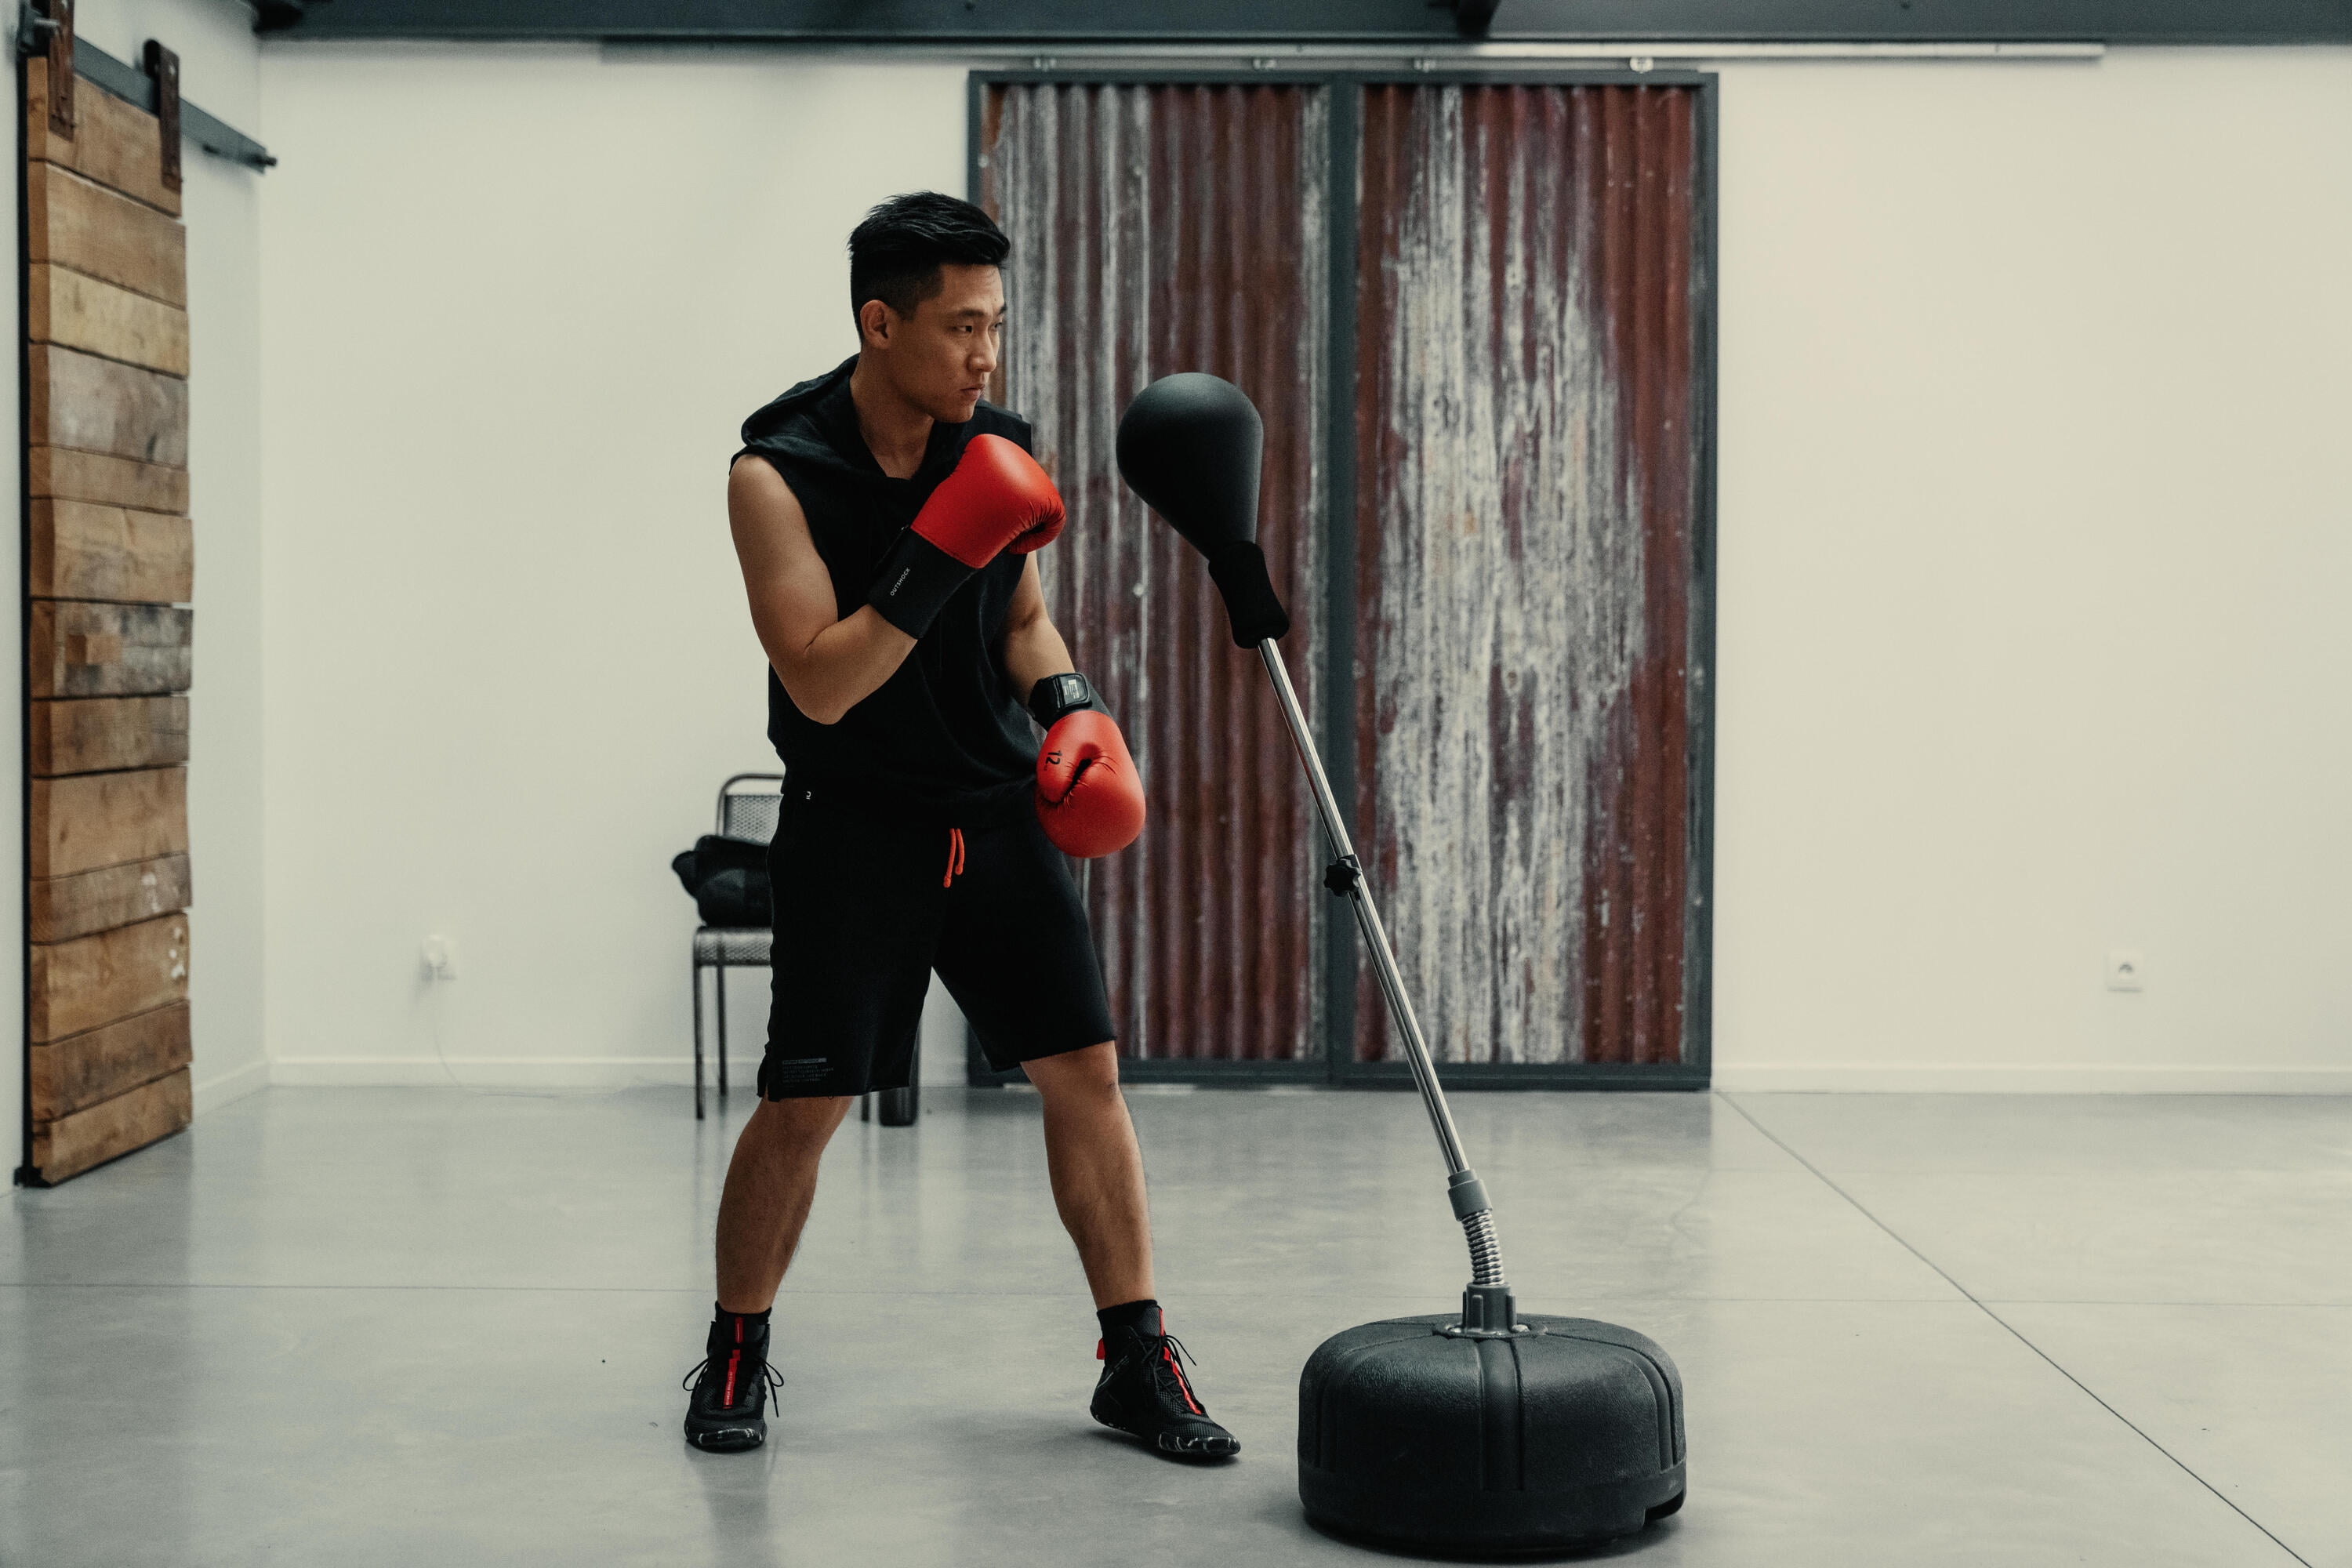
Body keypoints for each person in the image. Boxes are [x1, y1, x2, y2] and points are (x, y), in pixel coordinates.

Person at [683, 192, 1237, 1461]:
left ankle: (1136, 1358)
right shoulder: (776, 474)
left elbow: (1022, 619)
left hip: (993, 815)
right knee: (808, 1102)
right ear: (881, 324)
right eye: (962, 328)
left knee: (1085, 1075)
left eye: (997, 325)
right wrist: (936, 550)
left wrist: (1074, 706)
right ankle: (736, 1347)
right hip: (854, 824)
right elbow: (821, 680)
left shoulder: (995, 444)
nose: (987, 355)